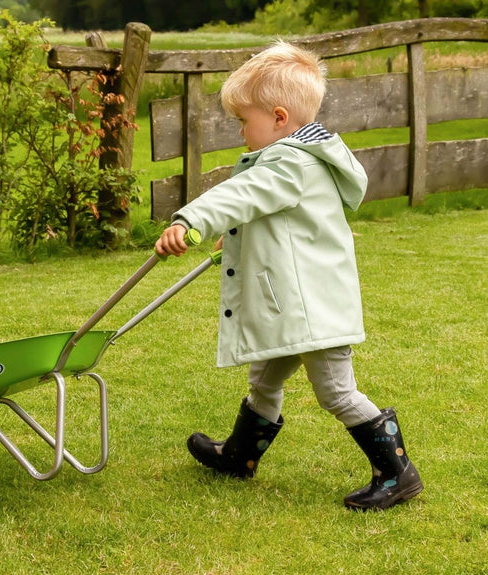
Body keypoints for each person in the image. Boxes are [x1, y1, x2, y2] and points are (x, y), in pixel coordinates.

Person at [154, 40, 423, 510]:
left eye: (244, 120)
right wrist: (235, 237)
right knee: (265, 380)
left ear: (279, 118)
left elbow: (241, 194)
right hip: (295, 305)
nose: (241, 130)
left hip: (311, 307)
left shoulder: (289, 162)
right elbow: (273, 215)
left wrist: (190, 220)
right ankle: (239, 456)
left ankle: (396, 473)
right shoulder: (303, 159)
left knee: (337, 392)